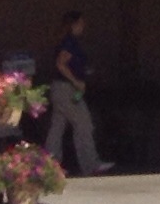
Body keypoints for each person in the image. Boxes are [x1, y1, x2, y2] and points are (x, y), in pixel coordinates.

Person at [45, 11, 115, 174]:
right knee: (84, 123)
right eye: (81, 24)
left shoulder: (65, 41)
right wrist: (76, 82)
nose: (83, 27)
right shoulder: (69, 42)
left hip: (59, 88)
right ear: (73, 25)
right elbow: (61, 64)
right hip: (66, 89)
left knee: (57, 127)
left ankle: (50, 165)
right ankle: (90, 163)